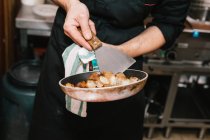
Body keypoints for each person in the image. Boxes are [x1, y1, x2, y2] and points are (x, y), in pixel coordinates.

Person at [28, 0, 190, 140]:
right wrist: (71, 4)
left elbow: (169, 23)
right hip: (67, 43)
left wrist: (119, 53)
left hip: (124, 59)